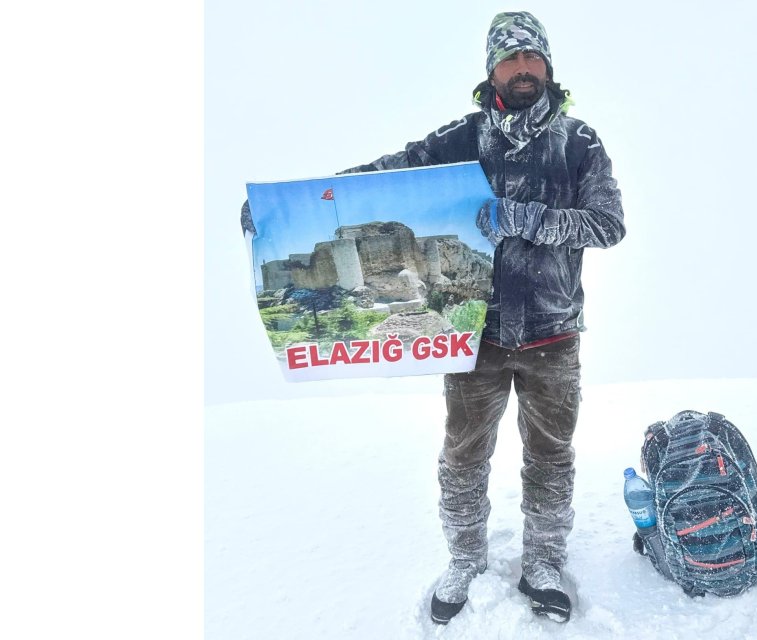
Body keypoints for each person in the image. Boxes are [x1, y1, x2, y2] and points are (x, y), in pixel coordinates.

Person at [243, 10, 624, 624]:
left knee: (551, 454)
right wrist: (282, 209)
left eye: (533, 58)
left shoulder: (578, 142)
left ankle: (544, 561)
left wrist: (527, 219)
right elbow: (385, 176)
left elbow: (608, 225)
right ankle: (465, 557)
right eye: (511, 58)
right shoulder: (462, 140)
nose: (523, 69)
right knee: (463, 455)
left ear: (548, 67)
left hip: (554, 334)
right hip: (473, 337)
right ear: (492, 70)